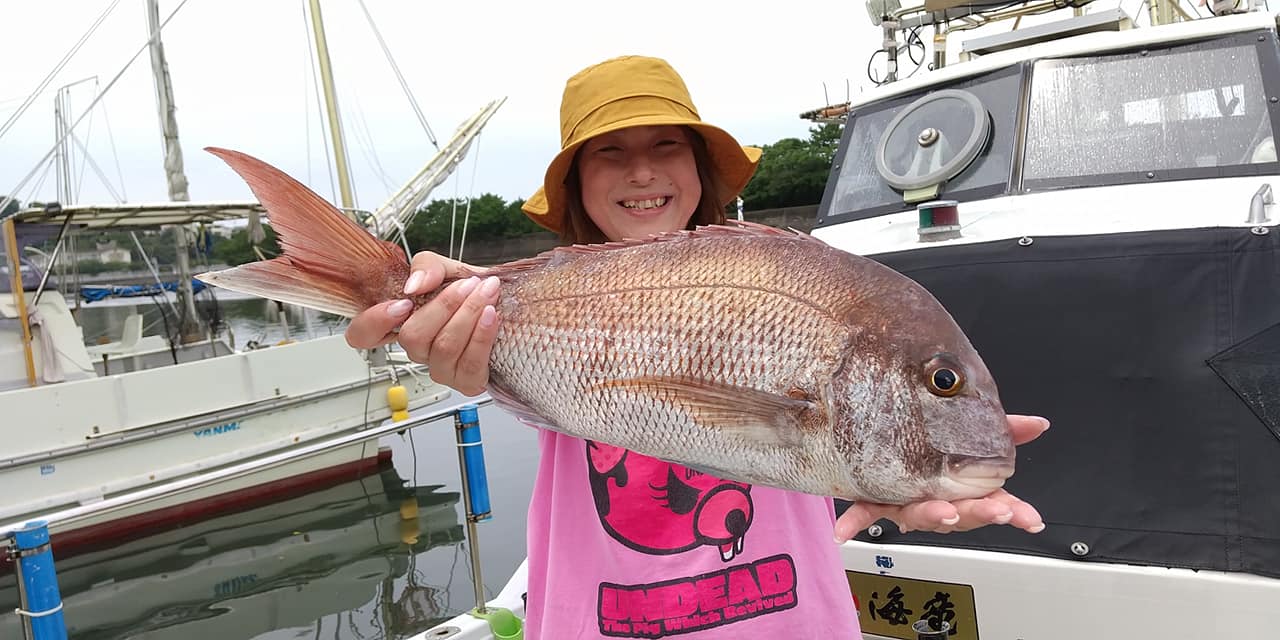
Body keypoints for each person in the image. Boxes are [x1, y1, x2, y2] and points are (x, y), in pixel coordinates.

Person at [346, 55, 1047, 639]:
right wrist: (429, 310)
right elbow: (476, 342)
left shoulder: (811, 279)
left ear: (700, 167)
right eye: (610, 153)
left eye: (665, 147)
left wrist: (894, 482)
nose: (642, 173)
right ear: (577, 185)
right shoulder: (538, 301)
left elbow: (838, 447)